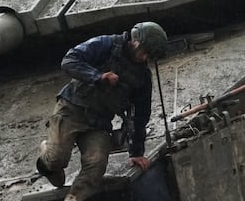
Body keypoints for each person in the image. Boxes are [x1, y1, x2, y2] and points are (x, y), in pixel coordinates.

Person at [35, 21, 168, 201]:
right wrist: (98, 76)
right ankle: (47, 154)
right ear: (135, 42)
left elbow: (140, 116)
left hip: (98, 123)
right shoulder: (107, 45)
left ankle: (74, 198)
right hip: (72, 108)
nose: (145, 58)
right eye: (144, 52)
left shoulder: (142, 78)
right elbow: (70, 60)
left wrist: (136, 152)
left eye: (149, 56)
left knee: (96, 164)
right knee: (57, 159)